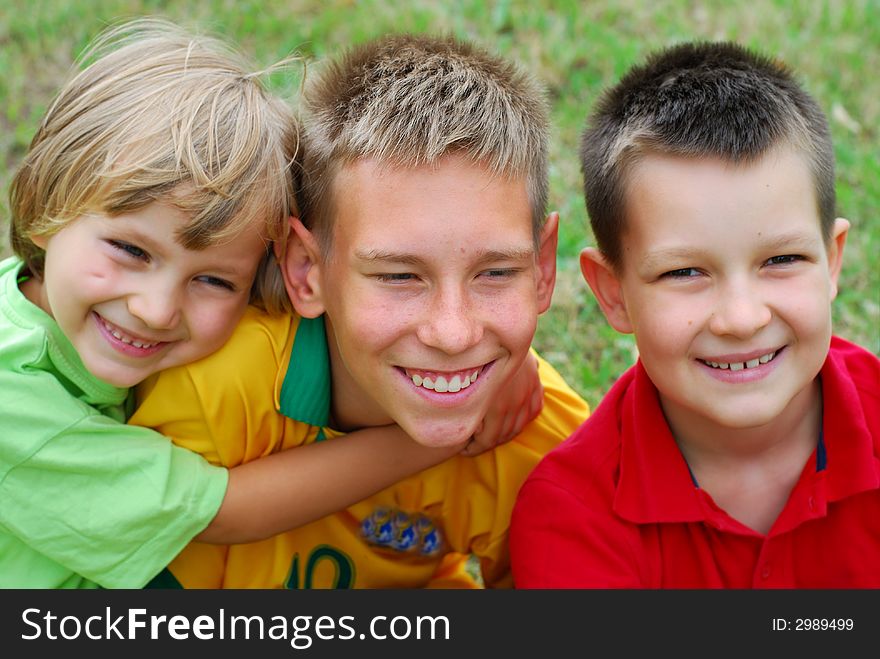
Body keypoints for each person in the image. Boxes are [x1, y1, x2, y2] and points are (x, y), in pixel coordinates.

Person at [1, 20, 519, 590]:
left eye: (215, 281)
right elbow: (224, 513)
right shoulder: (11, 396)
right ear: (46, 204)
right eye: (130, 250)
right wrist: (441, 428)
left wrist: (479, 368)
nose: (155, 309)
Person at [131, 33, 590, 589]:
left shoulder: (545, 439)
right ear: (306, 270)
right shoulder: (213, 392)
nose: (453, 332)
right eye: (399, 276)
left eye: (495, 273)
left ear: (543, 268)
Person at [510, 41, 880, 588]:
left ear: (832, 262)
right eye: (685, 273)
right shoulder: (570, 517)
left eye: (781, 260)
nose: (741, 317)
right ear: (613, 294)